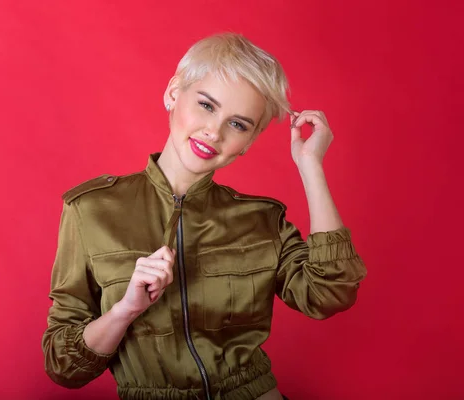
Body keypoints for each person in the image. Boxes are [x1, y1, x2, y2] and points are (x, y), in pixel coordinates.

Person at [42, 33, 367, 400]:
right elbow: (64, 366)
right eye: (207, 105)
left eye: (239, 124)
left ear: (249, 142)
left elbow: (330, 293)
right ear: (173, 93)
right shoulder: (90, 210)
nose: (215, 131)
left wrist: (310, 166)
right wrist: (125, 310)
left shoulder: (262, 220)